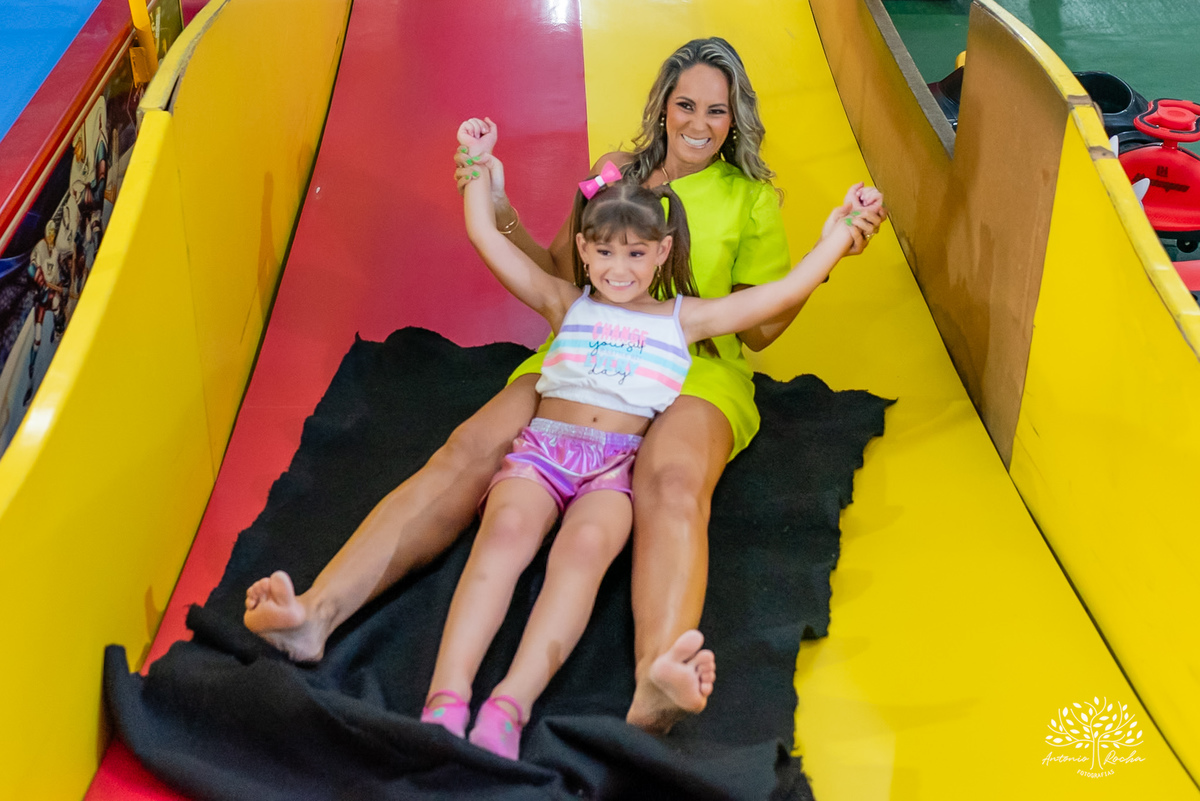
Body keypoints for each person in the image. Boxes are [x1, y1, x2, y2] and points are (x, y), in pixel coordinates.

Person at [244, 37, 886, 734]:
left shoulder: (750, 199)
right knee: (467, 450)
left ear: (736, 121)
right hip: (584, 350)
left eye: (717, 112)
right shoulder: (611, 174)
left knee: (670, 482)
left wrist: (831, 253)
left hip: (692, 357)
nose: (699, 124)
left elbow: (760, 328)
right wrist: (496, 202)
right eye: (686, 105)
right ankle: (317, 612)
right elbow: (557, 275)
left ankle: (656, 679)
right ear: (663, 105)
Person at [418, 119, 881, 760]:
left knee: (579, 561)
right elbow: (484, 238)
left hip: (613, 472)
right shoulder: (565, 304)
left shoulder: (683, 321)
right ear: (584, 250)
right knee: (502, 540)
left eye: (637, 254)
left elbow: (780, 293)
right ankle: (447, 698)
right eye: (604, 253)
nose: (619, 268)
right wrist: (476, 163)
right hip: (543, 452)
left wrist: (837, 237)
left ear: (663, 253)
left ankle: (509, 706)